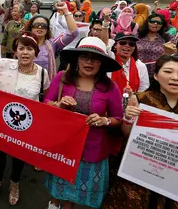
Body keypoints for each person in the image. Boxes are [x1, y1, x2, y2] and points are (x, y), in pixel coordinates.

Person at [44, 37, 123, 209]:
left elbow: (118, 118)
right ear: (77, 59)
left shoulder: (110, 87)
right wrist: (59, 105)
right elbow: (46, 103)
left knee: (73, 195)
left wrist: (104, 121)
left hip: (92, 150)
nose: (89, 62)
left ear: (102, 63)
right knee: (57, 191)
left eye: (95, 59)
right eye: (84, 57)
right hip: (63, 146)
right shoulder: (62, 77)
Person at [102, 55, 178, 209]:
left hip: (175, 173)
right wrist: (128, 118)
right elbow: (126, 133)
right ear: (156, 76)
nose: (176, 78)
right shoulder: (141, 100)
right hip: (140, 168)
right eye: (168, 71)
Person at [0, 30, 50, 205]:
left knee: (19, 155)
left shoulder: (42, 73)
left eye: (29, 49)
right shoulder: (5, 64)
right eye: (21, 48)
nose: (25, 52)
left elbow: (46, 97)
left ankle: (15, 183)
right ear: (15, 51)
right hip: (2, 121)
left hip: (25, 125)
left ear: (36, 52)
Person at [26, 7, 78, 80]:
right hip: (25, 81)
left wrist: (66, 11)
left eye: (44, 26)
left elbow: (74, 33)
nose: (40, 27)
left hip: (45, 84)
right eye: (36, 25)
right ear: (31, 28)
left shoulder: (53, 43)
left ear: (47, 29)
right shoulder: (23, 43)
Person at [137, 12, 171, 77]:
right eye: (153, 21)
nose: (155, 24)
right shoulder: (137, 36)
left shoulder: (167, 38)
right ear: (147, 22)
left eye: (159, 23)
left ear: (162, 25)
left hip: (157, 74)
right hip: (138, 72)